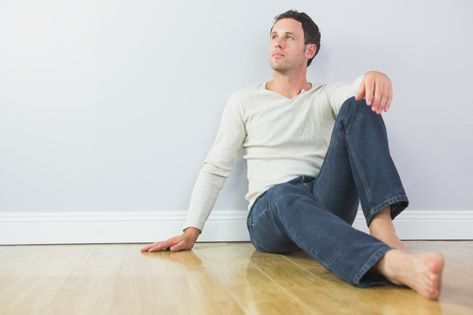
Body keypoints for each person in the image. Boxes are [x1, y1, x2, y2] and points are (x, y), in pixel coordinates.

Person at [141, 10, 444, 300]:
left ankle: (381, 227)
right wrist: (191, 231)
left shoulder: (325, 94)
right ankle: (389, 264)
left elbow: (358, 91)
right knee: (283, 194)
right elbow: (215, 168)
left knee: (359, 104)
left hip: (323, 200)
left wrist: (373, 75)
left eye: (288, 37)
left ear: (309, 50)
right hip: (270, 213)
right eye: (274, 36)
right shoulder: (244, 100)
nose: (277, 42)